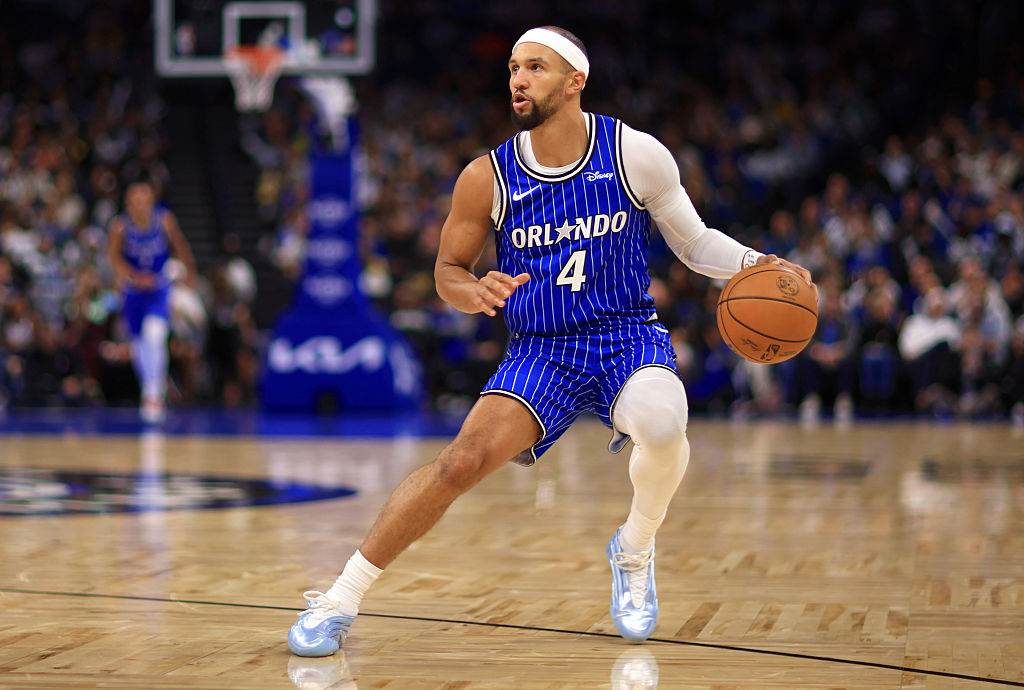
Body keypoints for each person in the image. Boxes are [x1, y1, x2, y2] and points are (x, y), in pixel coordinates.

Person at [288, 26, 813, 656]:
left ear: (575, 81)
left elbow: (695, 243)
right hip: (541, 350)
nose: (518, 78)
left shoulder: (634, 153)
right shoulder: (486, 177)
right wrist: (471, 290)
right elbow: (446, 272)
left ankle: (635, 549)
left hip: (625, 337)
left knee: (665, 426)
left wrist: (761, 263)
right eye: (513, 67)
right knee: (458, 464)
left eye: (535, 66)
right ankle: (339, 598)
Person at [107, 181, 196, 422]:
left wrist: (188, 272)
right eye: (136, 202)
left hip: (158, 289)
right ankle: (150, 388)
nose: (141, 206)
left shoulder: (164, 220)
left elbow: (180, 246)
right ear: (128, 205)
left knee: (155, 336)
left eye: (145, 201)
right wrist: (133, 277)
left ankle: (153, 394)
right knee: (138, 344)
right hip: (133, 291)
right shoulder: (120, 227)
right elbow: (114, 258)